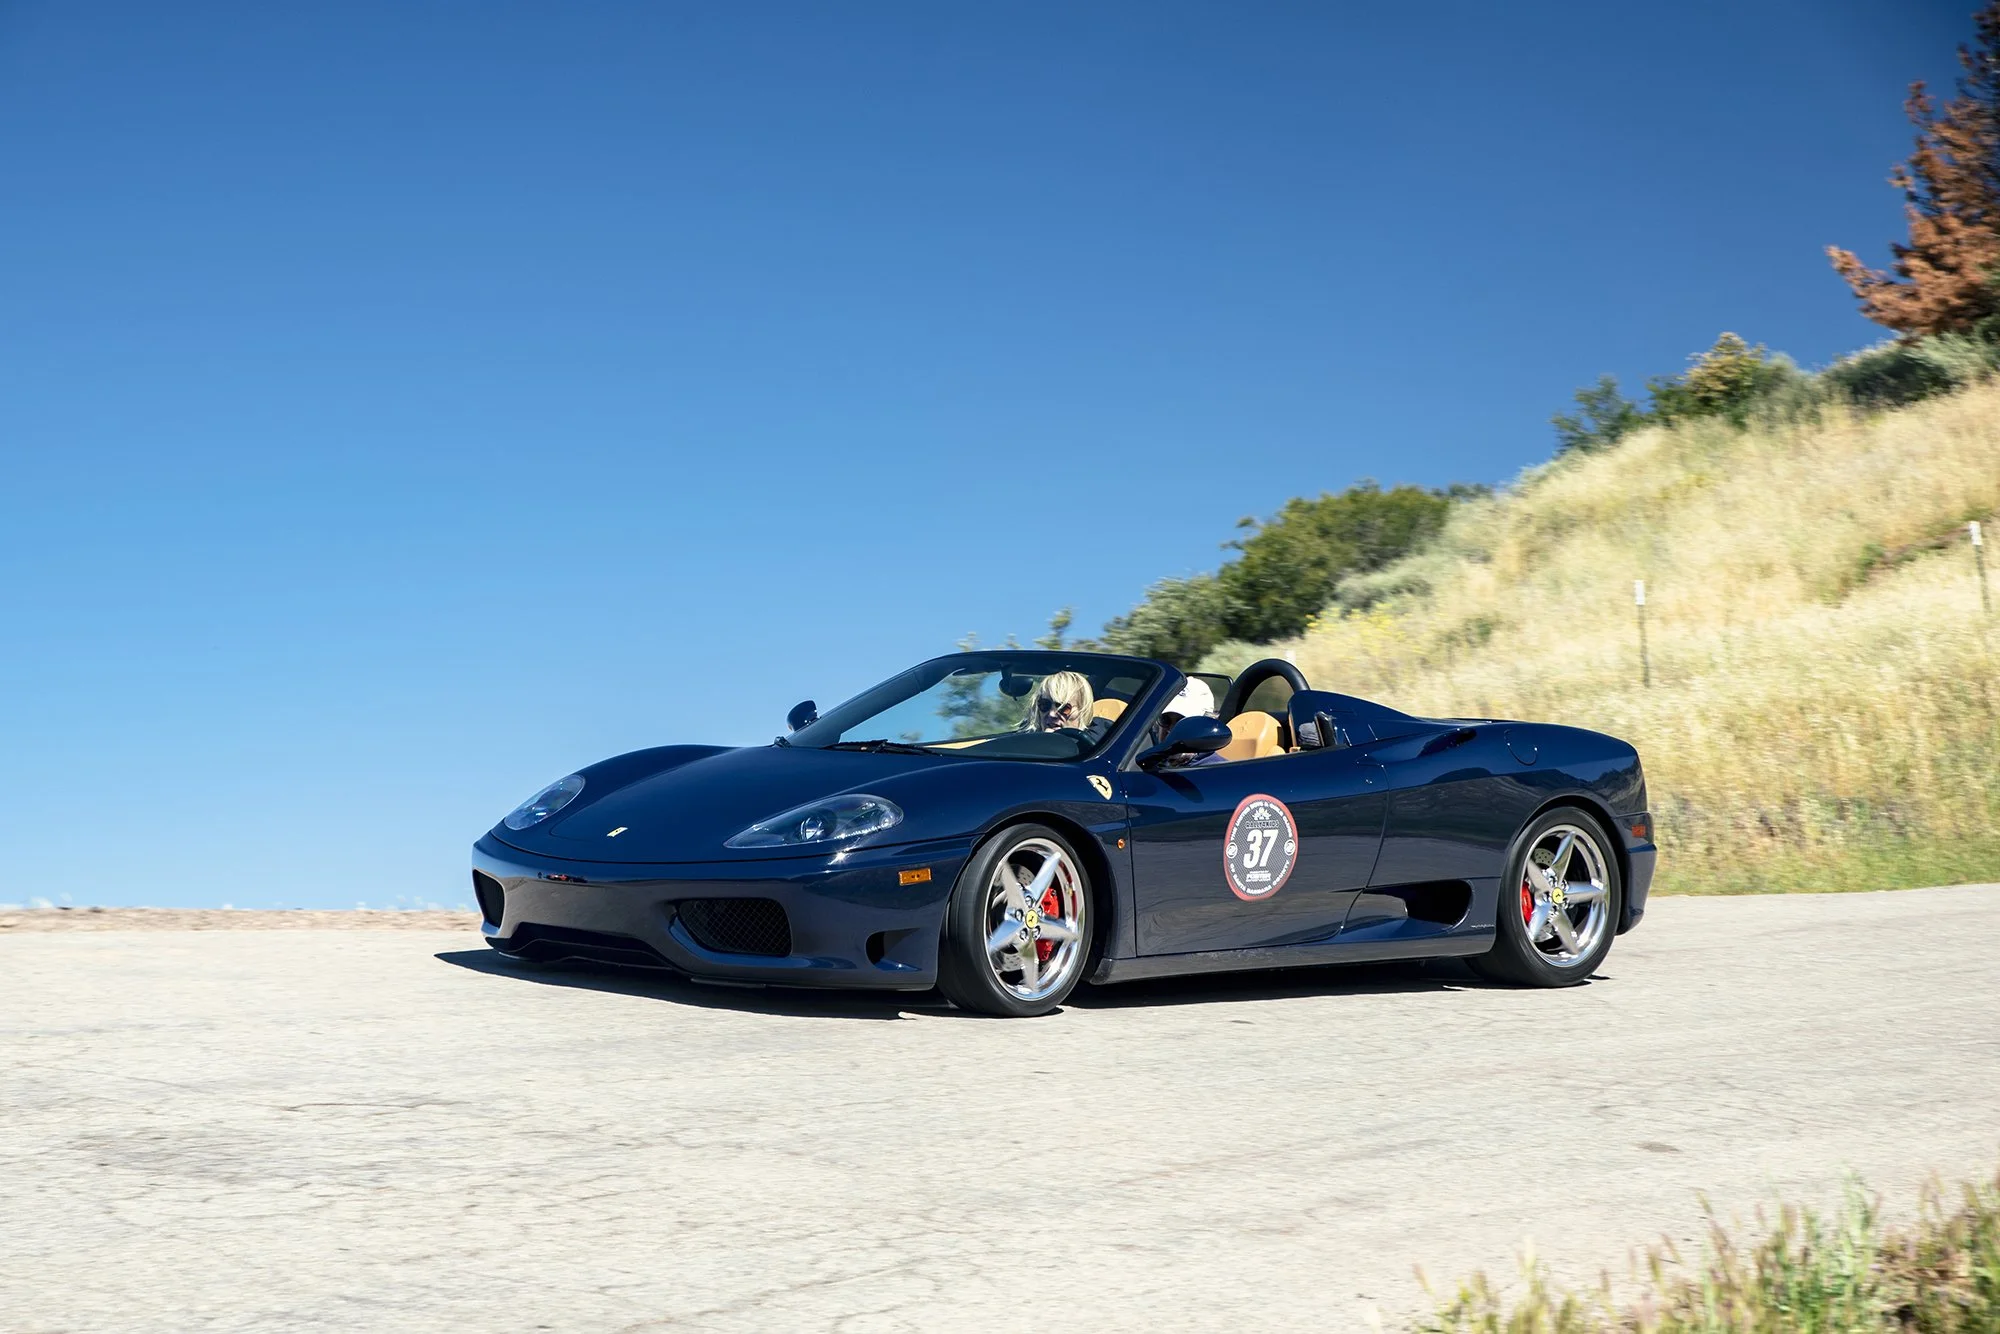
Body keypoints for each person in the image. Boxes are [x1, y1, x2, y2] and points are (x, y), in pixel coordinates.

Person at [1153, 676, 1227, 766]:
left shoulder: (1216, 770)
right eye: (1165, 720)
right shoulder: (1151, 760)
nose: (1171, 730)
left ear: (1208, 726)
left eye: (1183, 722)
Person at [1026, 670, 1095, 734]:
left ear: (1083, 712)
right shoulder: (1025, 743)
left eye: (1063, 708)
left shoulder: (1100, 743)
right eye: (1044, 705)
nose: (1051, 714)